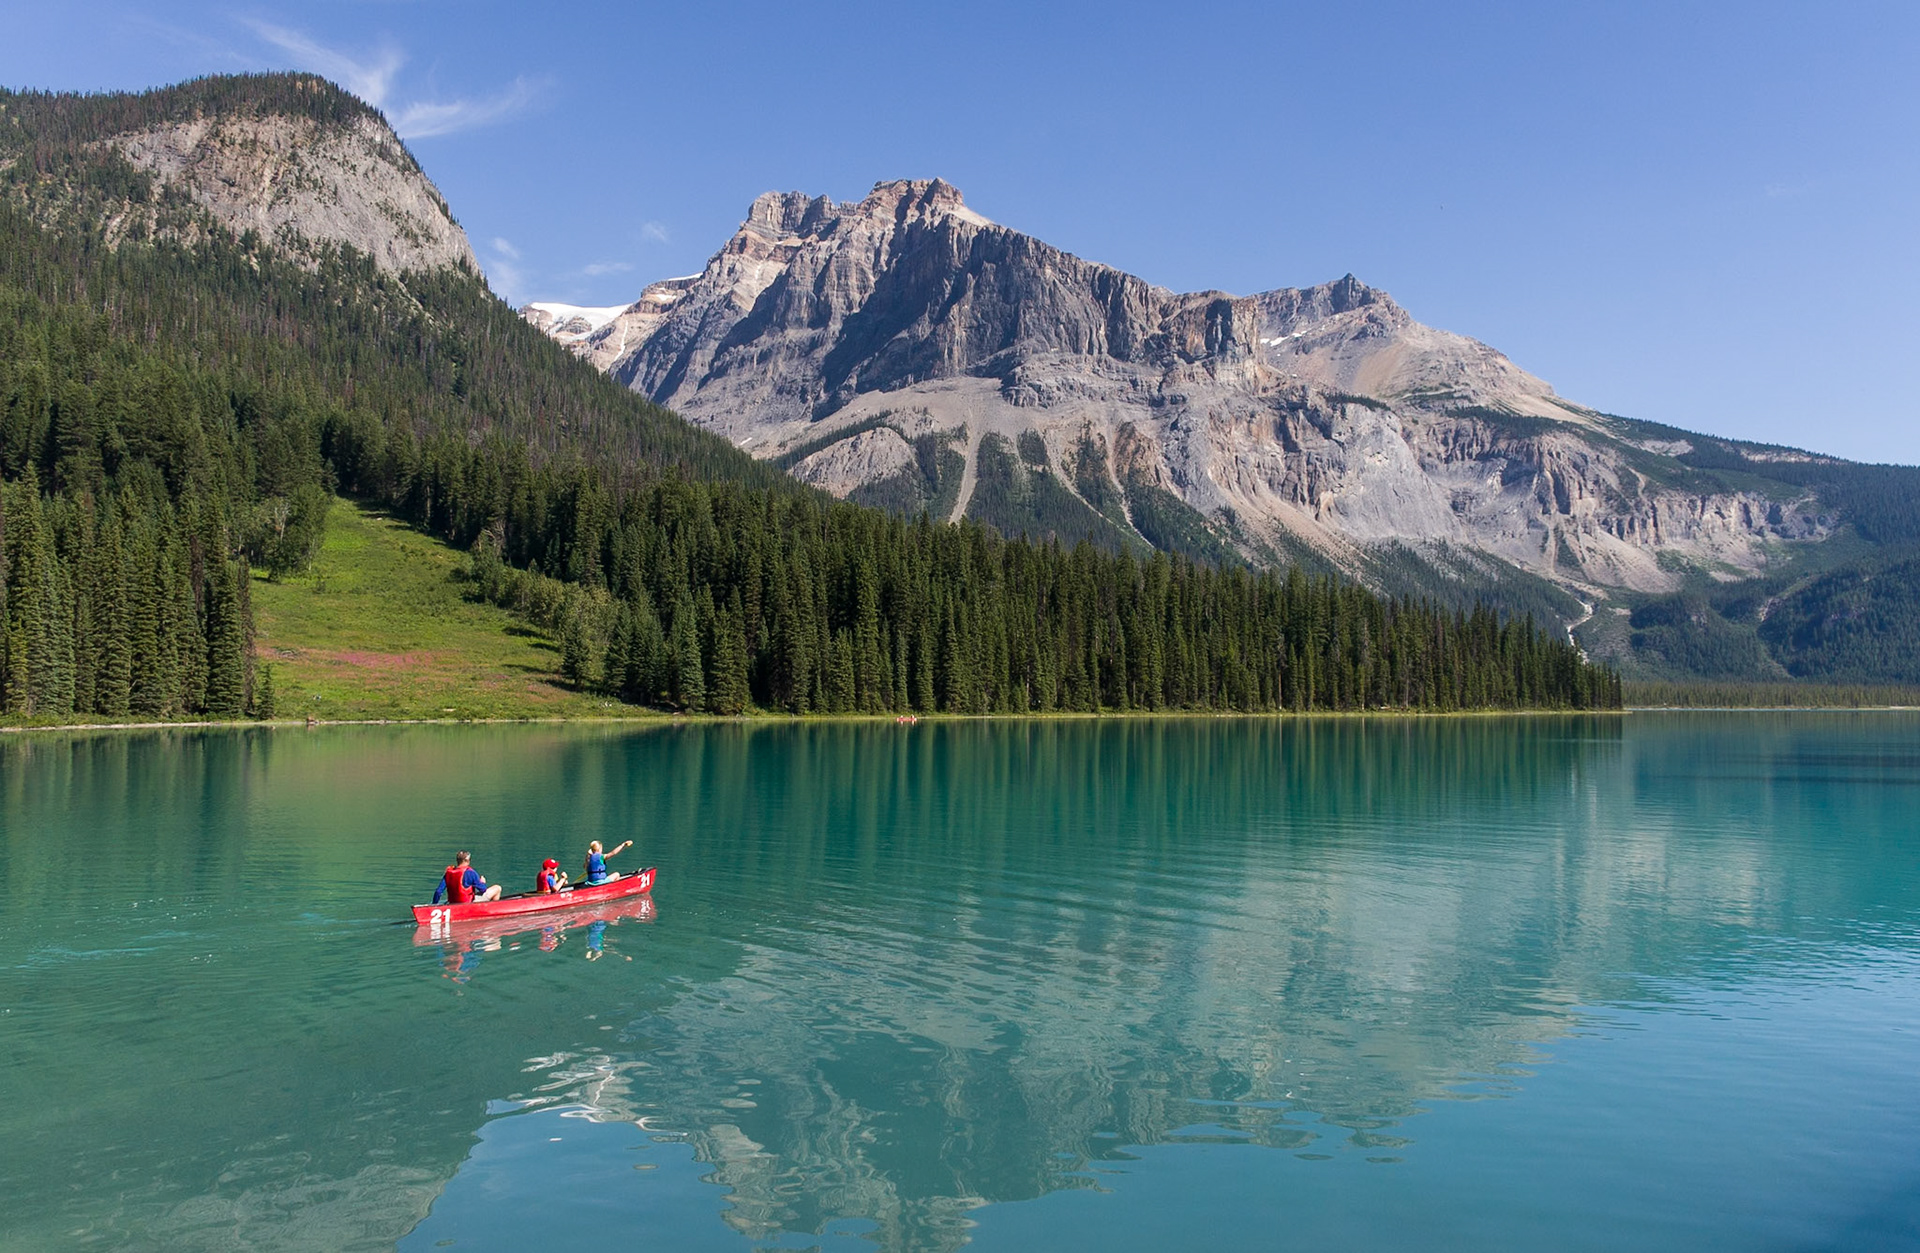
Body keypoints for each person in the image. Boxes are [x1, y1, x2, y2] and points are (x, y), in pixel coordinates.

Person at [432, 851, 503, 904]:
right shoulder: (470, 872)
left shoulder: (448, 872)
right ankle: (491, 910)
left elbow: (438, 891)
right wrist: (482, 882)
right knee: (497, 888)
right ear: (467, 861)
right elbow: (483, 890)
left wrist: (434, 905)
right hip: (467, 903)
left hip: (452, 903)